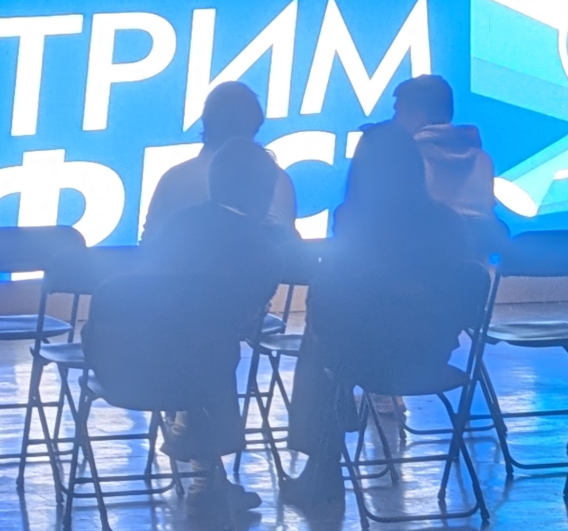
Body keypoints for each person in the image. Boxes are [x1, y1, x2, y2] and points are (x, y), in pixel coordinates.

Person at [282, 122, 474, 511]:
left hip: (370, 359)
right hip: (430, 356)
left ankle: (322, 469)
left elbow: (333, 299)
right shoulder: (449, 222)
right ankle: (323, 464)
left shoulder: (353, 221)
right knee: (328, 343)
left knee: (319, 348)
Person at [140, 138, 283, 520]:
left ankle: (207, 473)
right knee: (213, 344)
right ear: (264, 195)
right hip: (202, 361)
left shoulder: (179, 223)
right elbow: (250, 308)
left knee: (202, 341)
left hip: (131, 356)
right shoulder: (258, 243)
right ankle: (206, 478)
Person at [142, 81, 297, 241]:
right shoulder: (279, 181)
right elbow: (290, 247)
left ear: (207, 123)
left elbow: (148, 244)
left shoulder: (174, 179)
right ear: (255, 126)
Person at [392, 74, 508, 257]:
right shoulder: (483, 159)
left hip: (420, 267)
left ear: (417, 116)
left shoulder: (408, 158)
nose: (394, 120)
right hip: (477, 269)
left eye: (398, 112)